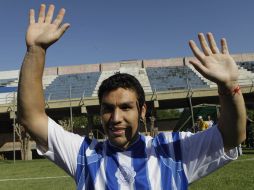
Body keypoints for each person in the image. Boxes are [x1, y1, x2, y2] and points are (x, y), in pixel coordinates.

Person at [17, 4, 246, 190]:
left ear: (143, 110)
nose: (115, 117)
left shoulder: (174, 149)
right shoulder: (84, 153)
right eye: (108, 108)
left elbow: (231, 136)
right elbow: (31, 117)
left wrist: (229, 86)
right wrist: (36, 50)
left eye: (126, 107)